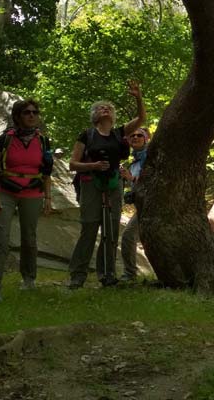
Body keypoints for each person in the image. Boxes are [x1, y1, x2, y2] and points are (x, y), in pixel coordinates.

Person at [67, 81, 146, 288]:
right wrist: (92, 165)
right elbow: (72, 164)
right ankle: (77, 275)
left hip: (113, 183)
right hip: (90, 182)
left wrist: (138, 97)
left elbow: (142, 119)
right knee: (89, 228)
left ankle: (107, 275)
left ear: (113, 115)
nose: (105, 109)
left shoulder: (119, 133)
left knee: (110, 230)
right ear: (95, 115)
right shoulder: (86, 135)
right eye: (100, 108)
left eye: (108, 108)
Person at [0, 99, 54, 302]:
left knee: (29, 238)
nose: (32, 115)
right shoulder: (5, 139)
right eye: (26, 112)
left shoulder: (43, 141)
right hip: (5, 191)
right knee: (1, 240)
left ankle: (29, 280)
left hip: (33, 193)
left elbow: (47, 173)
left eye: (35, 112)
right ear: (18, 116)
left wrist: (48, 198)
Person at [119, 127, 149, 282]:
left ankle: (130, 274)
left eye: (139, 135)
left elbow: (152, 181)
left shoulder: (150, 157)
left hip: (151, 207)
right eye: (132, 136)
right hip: (142, 207)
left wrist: (131, 178)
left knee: (128, 236)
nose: (135, 137)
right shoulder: (135, 161)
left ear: (146, 138)